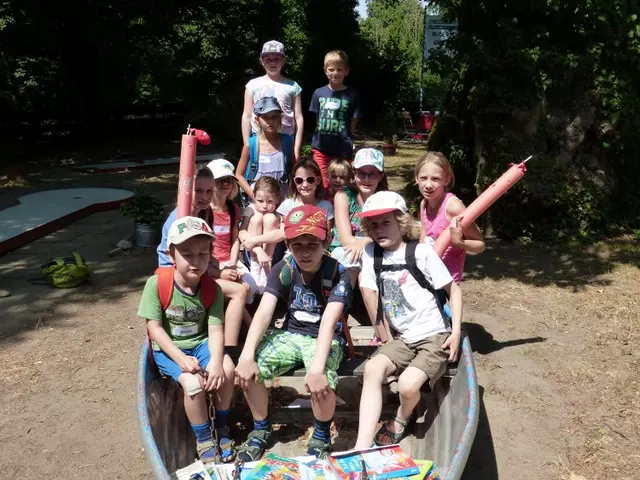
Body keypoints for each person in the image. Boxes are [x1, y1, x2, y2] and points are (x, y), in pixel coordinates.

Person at [235, 205, 352, 461]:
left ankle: (321, 434)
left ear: (327, 240)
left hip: (324, 337)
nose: (305, 251)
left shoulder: (338, 273)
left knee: (323, 381)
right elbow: (264, 312)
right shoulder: (284, 268)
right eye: (297, 244)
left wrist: (318, 369)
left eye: (312, 243)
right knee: (251, 371)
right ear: (288, 244)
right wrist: (246, 355)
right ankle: (261, 427)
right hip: (290, 333)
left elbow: (329, 322)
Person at [352, 191, 462, 450]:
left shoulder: (422, 252)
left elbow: (453, 290)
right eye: (374, 225)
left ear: (401, 223)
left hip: (434, 335)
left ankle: (401, 417)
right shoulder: (371, 254)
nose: (379, 230)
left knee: (407, 385)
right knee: (371, 369)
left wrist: (455, 332)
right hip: (403, 338)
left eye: (386, 222)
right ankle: (361, 446)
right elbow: (371, 295)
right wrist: (384, 336)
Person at [139, 216, 236, 463]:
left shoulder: (212, 289)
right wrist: (181, 358)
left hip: (201, 343)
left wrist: (214, 361)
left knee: (226, 369)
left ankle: (222, 428)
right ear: (172, 255)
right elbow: (155, 329)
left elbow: (215, 329)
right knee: (193, 385)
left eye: (203, 254)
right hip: (170, 349)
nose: (196, 261)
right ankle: (203, 439)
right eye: (187, 254)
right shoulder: (157, 284)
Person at [416, 152, 486, 285]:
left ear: (446, 180)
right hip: (427, 277)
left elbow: (480, 245)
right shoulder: (424, 203)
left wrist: (459, 243)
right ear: (416, 179)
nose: (428, 185)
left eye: (435, 179)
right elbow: (423, 241)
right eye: (424, 178)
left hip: (448, 284)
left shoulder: (453, 207)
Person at [207, 159, 256, 343]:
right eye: (220, 180)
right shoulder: (206, 211)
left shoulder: (233, 209)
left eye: (229, 180)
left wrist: (233, 263)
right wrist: (221, 269)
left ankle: (244, 330)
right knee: (241, 288)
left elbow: (235, 239)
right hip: (212, 262)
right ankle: (247, 333)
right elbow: (206, 248)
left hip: (230, 259)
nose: (225, 184)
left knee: (250, 288)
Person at [241, 157, 334, 254]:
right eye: (299, 180)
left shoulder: (326, 207)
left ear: (318, 180)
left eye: (310, 180)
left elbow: (327, 238)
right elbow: (283, 233)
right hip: (293, 254)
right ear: (294, 181)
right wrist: (255, 241)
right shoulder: (288, 205)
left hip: (318, 253)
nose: (305, 185)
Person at [329, 148, 389, 287]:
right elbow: (345, 239)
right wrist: (364, 243)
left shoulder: (385, 199)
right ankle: (342, 302)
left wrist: (365, 242)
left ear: (380, 176)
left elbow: (389, 234)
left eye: (372, 174)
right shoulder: (344, 196)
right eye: (361, 174)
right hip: (346, 248)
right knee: (350, 258)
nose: (366, 180)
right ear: (354, 174)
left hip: (375, 247)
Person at [242, 40, 303, 160]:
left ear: (283, 60)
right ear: (261, 61)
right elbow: (247, 116)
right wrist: (247, 144)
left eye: (277, 58)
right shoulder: (252, 85)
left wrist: (296, 147)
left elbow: (299, 118)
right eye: (268, 59)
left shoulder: (293, 86)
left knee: (286, 172)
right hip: (259, 138)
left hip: (286, 137)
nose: (272, 62)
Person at [309, 50, 361, 188]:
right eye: (331, 69)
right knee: (322, 184)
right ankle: (324, 209)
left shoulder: (352, 95)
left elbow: (354, 120)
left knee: (342, 184)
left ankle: (341, 208)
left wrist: (349, 136)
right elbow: (317, 117)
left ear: (346, 71)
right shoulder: (318, 93)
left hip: (342, 148)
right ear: (325, 71)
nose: (335, 73)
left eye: (339, 69)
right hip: (321, 147)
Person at [236, 96, 294, 205]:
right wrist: (254, 197)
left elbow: (294, 171)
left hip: (282, 200)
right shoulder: (251, 144)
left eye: (274, 117)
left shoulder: (287, 142)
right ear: (257, 120)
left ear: (280, 118)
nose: (270, 121)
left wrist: (290, 194)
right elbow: (239, 175)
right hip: (257, 202)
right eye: (265, 117)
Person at [157, 164, 214, 267]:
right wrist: (220, 273)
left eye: (209, 191)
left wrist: (221, 267)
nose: (205, 197)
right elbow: (184, 263)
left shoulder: (204, 212)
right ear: (186, 190)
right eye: (198, 191)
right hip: (175, 273)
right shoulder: (179, 219)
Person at [238, 176, 282, 294]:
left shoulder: (278, 213)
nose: (264, 206)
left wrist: (256, 240)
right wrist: (258, 250)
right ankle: (256, 268)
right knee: (257, 218)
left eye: (270, 201)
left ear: (277, 199)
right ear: (254, 197)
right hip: (253, 253)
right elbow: (241, 232)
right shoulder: (250, 209)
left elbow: (283, 233)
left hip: (272, 255)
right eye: (260, 201)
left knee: (269, 218)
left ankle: (266, 270)